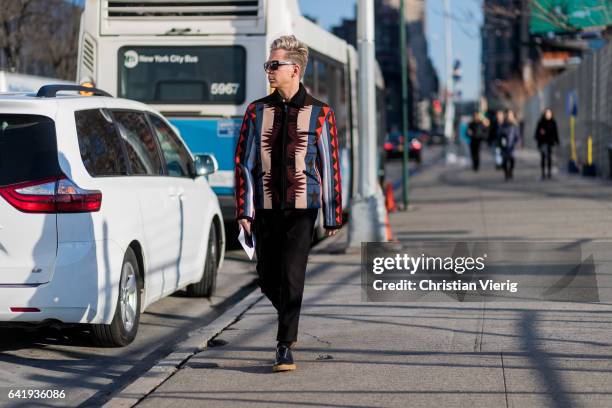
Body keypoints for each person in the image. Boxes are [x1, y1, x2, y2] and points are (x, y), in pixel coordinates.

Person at [234, 35, 342, 373]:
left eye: (274, 65)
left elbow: (330, 164)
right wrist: (245, 210)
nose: (268, 70)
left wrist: (332, 212)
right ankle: (289, 315)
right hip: (265, 208)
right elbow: (244, 163)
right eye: (268, 65)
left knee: (293, 275)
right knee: (267, 277)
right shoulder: (256, 111)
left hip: (302, 207)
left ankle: (284, 345)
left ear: (294, 70)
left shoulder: (321, 113)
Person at [534, 108, 559, 179]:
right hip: (543, 143)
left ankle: (549, 173)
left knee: (549, 158)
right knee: (543, 157)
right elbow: (537, 133)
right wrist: (540, 134)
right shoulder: (541, 122)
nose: (548, 115)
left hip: (550, 143)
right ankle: (543, 173)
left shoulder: (553, 122)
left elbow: (555, 132)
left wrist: (557, 141)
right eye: (547, 113)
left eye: (549, 113)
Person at [499, 110, 521, 181]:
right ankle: (506, 173)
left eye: (510, 115)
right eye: (508, 115)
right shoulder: (503, 124)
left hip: (512, 145)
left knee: (512, 160)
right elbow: (499, 134)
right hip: (504, 145)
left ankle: (510, 171)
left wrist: (517, 142)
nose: (509, 116)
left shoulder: (515, 125)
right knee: (504, 160)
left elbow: (517, 135)